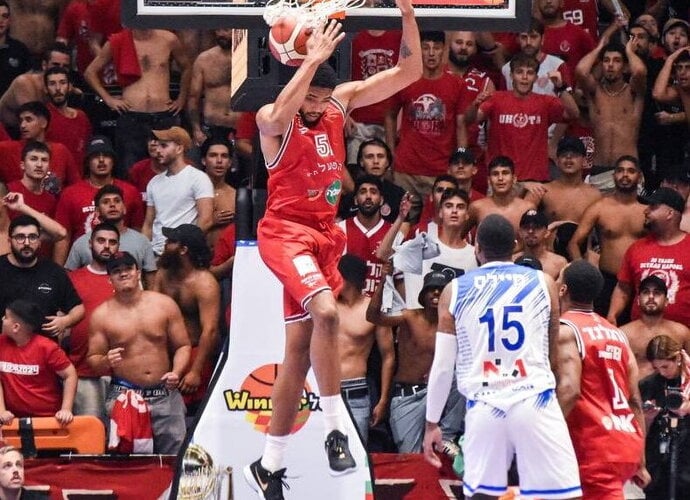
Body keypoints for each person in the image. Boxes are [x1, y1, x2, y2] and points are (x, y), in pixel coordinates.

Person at [244, 2, 421, 496]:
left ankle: (269, 464)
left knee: (297, 355)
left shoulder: (337, 105)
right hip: (285, 233)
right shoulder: (273, 117)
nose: (318, 104)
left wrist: (408, 15)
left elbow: (409, 72)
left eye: (324, 95)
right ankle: (335, 429)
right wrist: (311, 61)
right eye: (312, 96)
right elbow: (278, 114)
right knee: (327, 312)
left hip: (325, 235)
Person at [422, 214, 582, 499]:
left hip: (484, 404)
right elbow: (550, 351)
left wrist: (432, 423)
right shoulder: (544, 282)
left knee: (483, 495)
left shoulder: (454, 290)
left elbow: (443, 366)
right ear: (515, 245)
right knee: (561, 495)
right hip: (534, 399)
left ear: (477, 249)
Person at [556, 259, 650, 498]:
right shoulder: (617, 334)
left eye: (558, 279)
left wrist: (542, 433)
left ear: (563, 289)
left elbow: (569, 390)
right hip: (626, 441)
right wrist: (640, 459)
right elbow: (634, 399)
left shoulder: (566, 330)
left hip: (592, 444)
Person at [87, 251, 191, 454]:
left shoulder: (164, 305)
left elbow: (182, 346)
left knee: (174, 457)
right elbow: (93, 359)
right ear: (109, 279)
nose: (123, 273)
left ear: (138, 272)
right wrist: (106, 361)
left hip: (164, 393)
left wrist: (177, 372)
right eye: (116, 271)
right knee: (127, 462)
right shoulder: (101, 315)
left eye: (128, 268)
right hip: (124, 395)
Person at [367, 267, 462, 454]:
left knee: (459, 376)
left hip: (436, 392)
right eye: (431, 289)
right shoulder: (409, 316)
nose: (436, 293)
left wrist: (438, 372)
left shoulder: (454, 323)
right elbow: (373, 317)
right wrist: (383, 280)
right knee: (410, 457)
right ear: (423, 295)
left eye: (441, 289)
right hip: (407, 396)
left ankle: (448, 437)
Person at [84, 29, 192, 176]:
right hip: (132, 117)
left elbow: (187, 67)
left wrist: (181, 99)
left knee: (171, 171)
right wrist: (109, 99)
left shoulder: (169, 39)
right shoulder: (119, 40)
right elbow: (90, 72)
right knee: (130, 171)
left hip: (164, 116)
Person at [466, 53, 579, 182]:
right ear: (511, 75)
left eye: (530, 73)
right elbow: (470, 120)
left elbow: (573, 114)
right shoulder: (496, 98)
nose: (524, 77)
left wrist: (560, 88)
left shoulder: (546, 102)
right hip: (501, 179)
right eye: (519, 72)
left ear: (535, 78)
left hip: (535, 181)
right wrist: (474, 104)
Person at [385, 30, 465, 198]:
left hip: (441, 170)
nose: (431, 53)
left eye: (436, 48)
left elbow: (461, 125)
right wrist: (391, 153)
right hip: (406, 169)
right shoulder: (405, 80)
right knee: (403, 214)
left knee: (441, 214)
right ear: (418, 49)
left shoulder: (456, 84)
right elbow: (390, 115)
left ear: (444, 50)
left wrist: (460, 161)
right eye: (426, 47)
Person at [153, 224, 220, 416]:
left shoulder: (205, 283)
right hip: (165, 352)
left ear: (183, 250)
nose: (165, 244)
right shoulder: (163, 274)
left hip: (194, 352)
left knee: (191, 412)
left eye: (171, 242)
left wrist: (196, 371)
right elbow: (152, 312)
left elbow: (210, 331)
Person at [568, 156, 646, 318]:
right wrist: (584, 272)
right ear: (613, 176)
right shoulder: (599, 208)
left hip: (641, 280)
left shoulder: (648, 211)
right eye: (620, 171)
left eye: (631, 171)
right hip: (607, 280)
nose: (625, 175)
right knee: (605, 326)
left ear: (639, 176)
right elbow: (574, 243)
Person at [575, 23, 647, 192]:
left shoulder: (633, 92)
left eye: (616, 60)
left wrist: (629, 51)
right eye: (606, 60)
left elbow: (640, 71)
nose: (610, 65)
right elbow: (581, 71)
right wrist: (600, 47)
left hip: (628, 169)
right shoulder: (594, 92)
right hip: (599, 170)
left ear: (625, 66)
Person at [53, 135, 145, 265]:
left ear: (113, 160)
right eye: (95, 156)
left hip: (122, 265)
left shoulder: (130, 191)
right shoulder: (70, 193)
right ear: (87, 162)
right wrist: (58, 271)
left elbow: (137, 231)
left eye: (106, 155)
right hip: (84, 263)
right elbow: (63, 237)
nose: (101, 160)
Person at [609, 187, 690, 327]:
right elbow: (623, 288)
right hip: (640, 332)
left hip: (684, 334)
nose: (646, 211)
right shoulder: (636, 248)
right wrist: (612, 315)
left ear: (670, 213)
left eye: (653, 207)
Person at [336, 254, 394, 447]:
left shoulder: (371, 310)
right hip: (326, 389)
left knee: (357, 452)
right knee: (323, 452)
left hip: (357, 390)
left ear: (346, 279)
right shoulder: (327, 306)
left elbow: (388, 356)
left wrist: (383, 400)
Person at [67, 222, 119, 423]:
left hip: (122, 375)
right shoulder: (72, 278)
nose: (106, 246)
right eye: (101, 241)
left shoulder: (126, 279)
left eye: (112, 242)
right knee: (90, 430)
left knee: (120, 432)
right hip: (83, 371)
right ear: (90, 243)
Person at [0, 214, 83, 338]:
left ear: (39, 242)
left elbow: (78, 308)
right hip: (4, 345)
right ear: (9, 241)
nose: (27, 243)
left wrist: (65, 321)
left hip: (44, 345)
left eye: (32, 237)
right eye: (20, 237)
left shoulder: (53, 271)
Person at [0, 299, 77, 425]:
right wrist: (1, 411)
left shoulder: (46, 347)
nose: (3, 319)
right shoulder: (1, 343)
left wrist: (66, 409)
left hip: (47, 418)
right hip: (12, 419)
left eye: (6, 317)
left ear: (16, 327)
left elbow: (70, 375)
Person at [64, 184, 157, 288]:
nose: (112, 205)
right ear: (97, 211)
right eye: (106, 202)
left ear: (124, 208)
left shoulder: (142, 241)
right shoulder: (82, 243)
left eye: (117, 201)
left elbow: (151, 284)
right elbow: (68, 280)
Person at [143, 126, 214, 255]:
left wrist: (183, 246)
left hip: (183, 253)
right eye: (158, 146)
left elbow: (206, 220)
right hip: (155, 252)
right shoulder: (153, 182)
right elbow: (148, 224)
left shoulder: (198, 178)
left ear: (179, 149)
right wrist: (144, 253)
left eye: (164, 146)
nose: (158, 150)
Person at [639, 335, 690, 499]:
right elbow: (639, 429)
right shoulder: (648, 385)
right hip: (658, 457)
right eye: (657, 368)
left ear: (678, 358)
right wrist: (648, 418)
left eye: (665, 366)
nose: (662, 372)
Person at [0, 101, 79, 193]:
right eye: (21, 121)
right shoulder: (7, 149)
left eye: (28, 120)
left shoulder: (60, 151)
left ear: (43, 123)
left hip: (53, 201)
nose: (22, 125)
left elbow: (76, 186)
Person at [621, 275, 690, 379]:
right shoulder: (623, 334)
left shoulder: (682, 332)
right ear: (638, 300)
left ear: (666, 301)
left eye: (657, 293)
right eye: (646, 292)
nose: (651, 297)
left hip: (673, 388)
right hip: (635, 388)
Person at [338, 175, 392, 295]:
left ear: (381, 200)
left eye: (373, 192)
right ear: (355, 200)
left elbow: (399, 279)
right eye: (363, 192)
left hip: (382, 304)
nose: (368, 196)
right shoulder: (340, 230)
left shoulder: (394, 233)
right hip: (348, 303)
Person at [187, 28, 241, 146]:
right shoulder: (204, 60)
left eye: (226, 30)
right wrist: (196, 129)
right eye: (218, 30)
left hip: (241, 126)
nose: (221, 34)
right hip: (213, 126)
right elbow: (193, 97)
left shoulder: (248, 57)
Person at [0, 43, 71, 131]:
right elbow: (33, 120)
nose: (60, 69)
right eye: (55, 65)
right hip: (7, 130)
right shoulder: (25, 83)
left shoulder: (66, 86)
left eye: (65, 66)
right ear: (44, 65)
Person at [337, 138, 405, 223]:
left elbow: (404, 226)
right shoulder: (349, 196)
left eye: (380, 156)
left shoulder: (398, 194)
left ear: (387, 162)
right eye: (369, 157)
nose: (375, 161)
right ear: (361, 162)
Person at [464, 156, 535, 234]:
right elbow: (456, 236)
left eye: (505, 173)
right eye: (495, 174)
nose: (500, 178)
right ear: (489, 180)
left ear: (514, 179)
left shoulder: (527, 208)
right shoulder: (477, 208)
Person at [43, 67, 92, 167]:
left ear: (69, 87)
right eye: (52, 84)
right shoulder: (42, 116)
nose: (58, 88)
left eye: (62, 82)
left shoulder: (82, 117)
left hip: (79, 174)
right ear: (45, 89)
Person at [200, 137, 236, 250]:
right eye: (213, 155)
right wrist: (211, 221)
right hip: (196, 256)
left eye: (224, 156)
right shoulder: (192, 192)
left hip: (225, 256)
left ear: (230, 163)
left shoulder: (235, 195)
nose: (219, 160)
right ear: (203, 160)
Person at [513, 208, 567, 279]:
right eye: (526, 227)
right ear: (520, 233)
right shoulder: (511, 261)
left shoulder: (559, 263)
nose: (530, 231)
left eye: (537, 227)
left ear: (547, 233)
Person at [0, 1, 31, 97]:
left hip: (12, 103)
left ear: (9, 20)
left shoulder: (20, 50)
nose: (0, 20)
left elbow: (27, 83)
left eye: (4, 16)